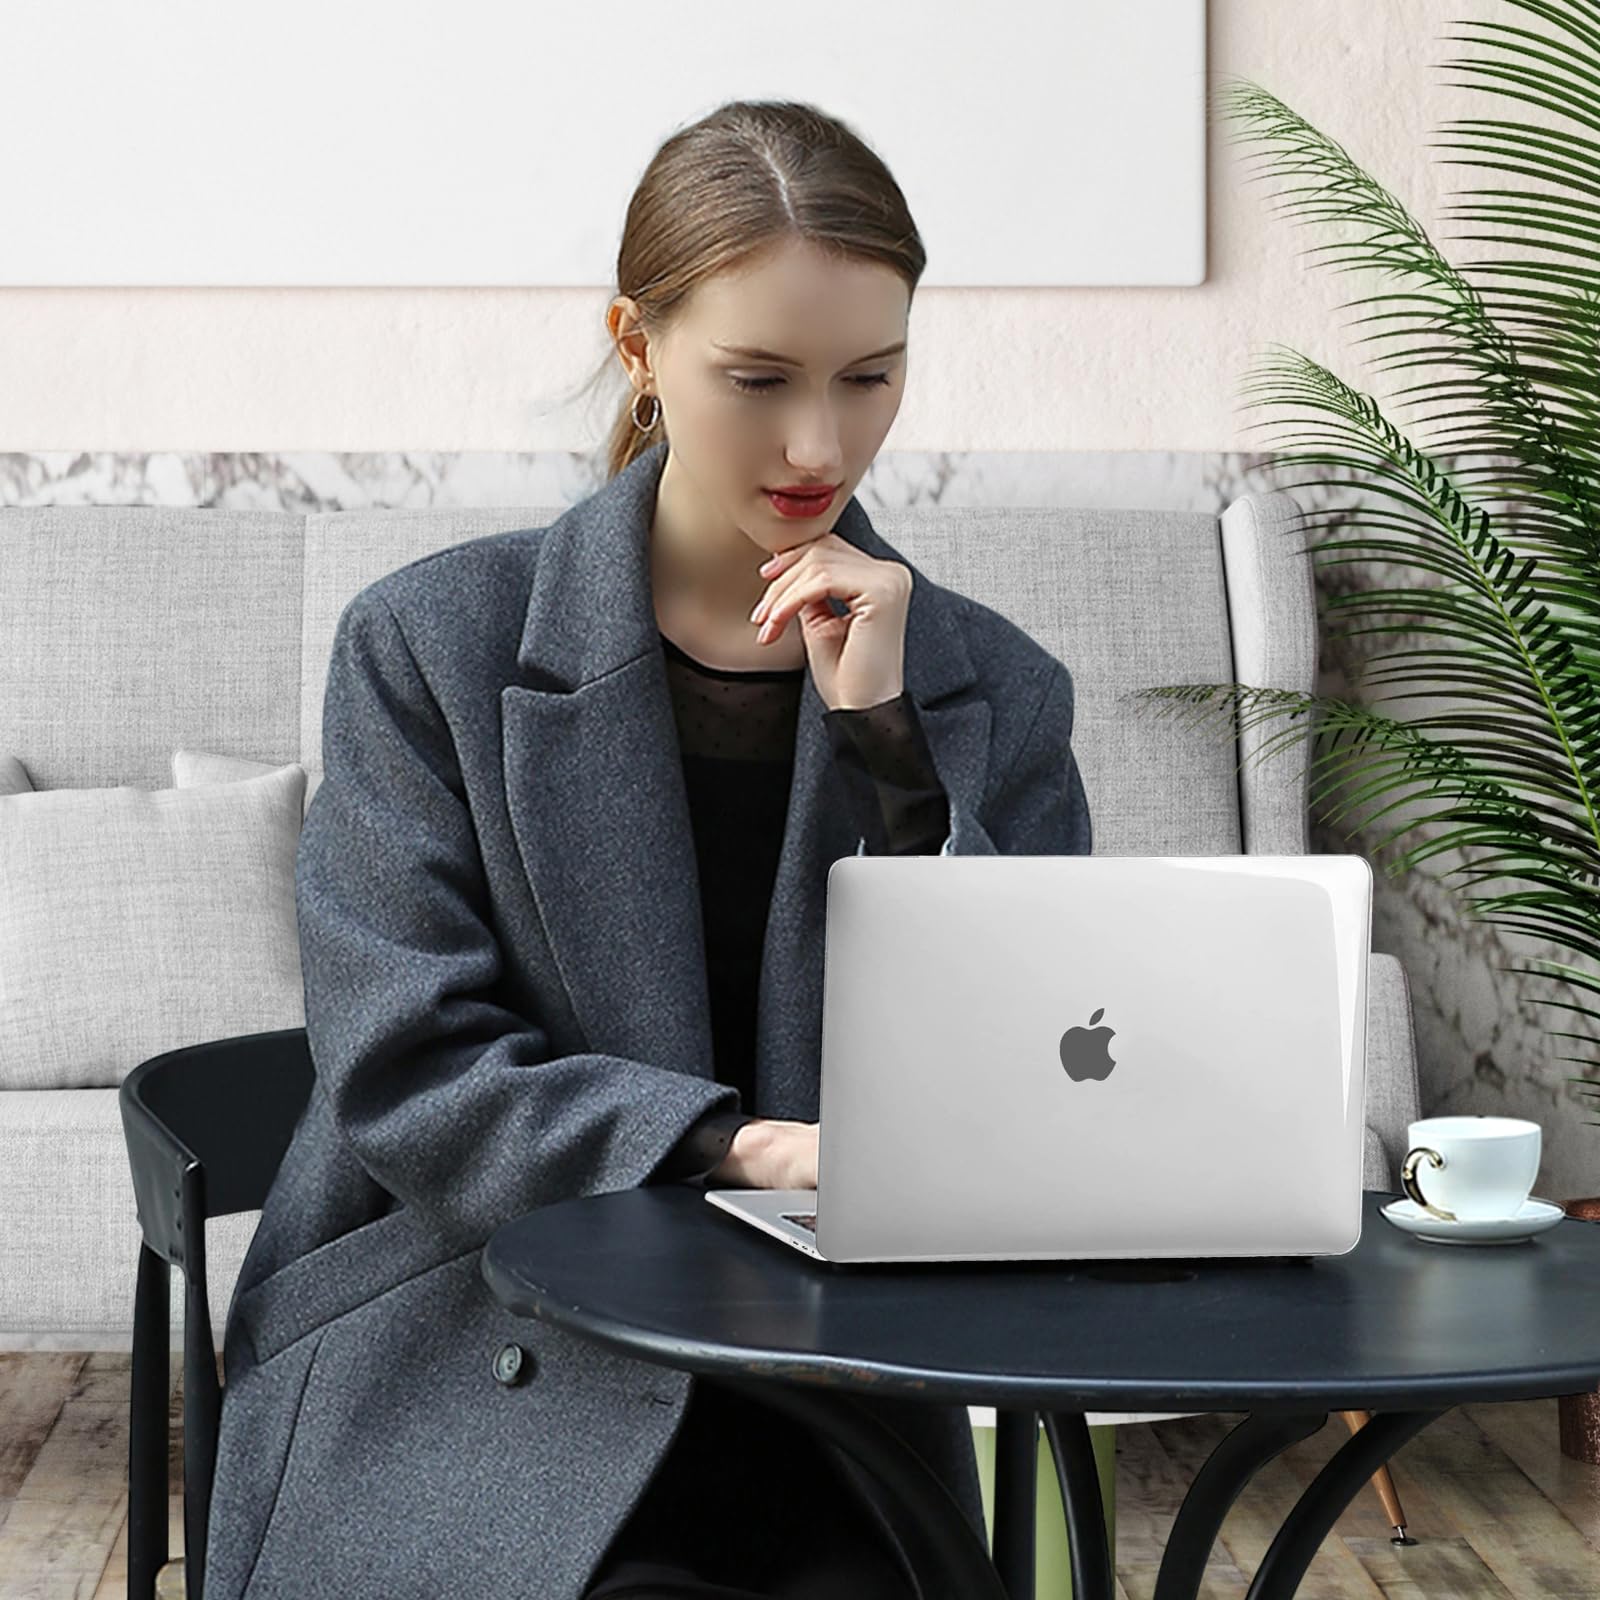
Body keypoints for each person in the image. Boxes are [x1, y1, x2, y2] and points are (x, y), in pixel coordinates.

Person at [202, 98, 1090, 1600]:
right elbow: (405, 1062)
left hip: (839, 1375)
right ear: (638, 345)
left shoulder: (986, 681)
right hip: (473, 1332)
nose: (823, 441)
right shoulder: (431, 646)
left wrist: (888, 745)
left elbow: (1037, 1068)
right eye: (760, 379)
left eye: (871, 378)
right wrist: (738, 1148)